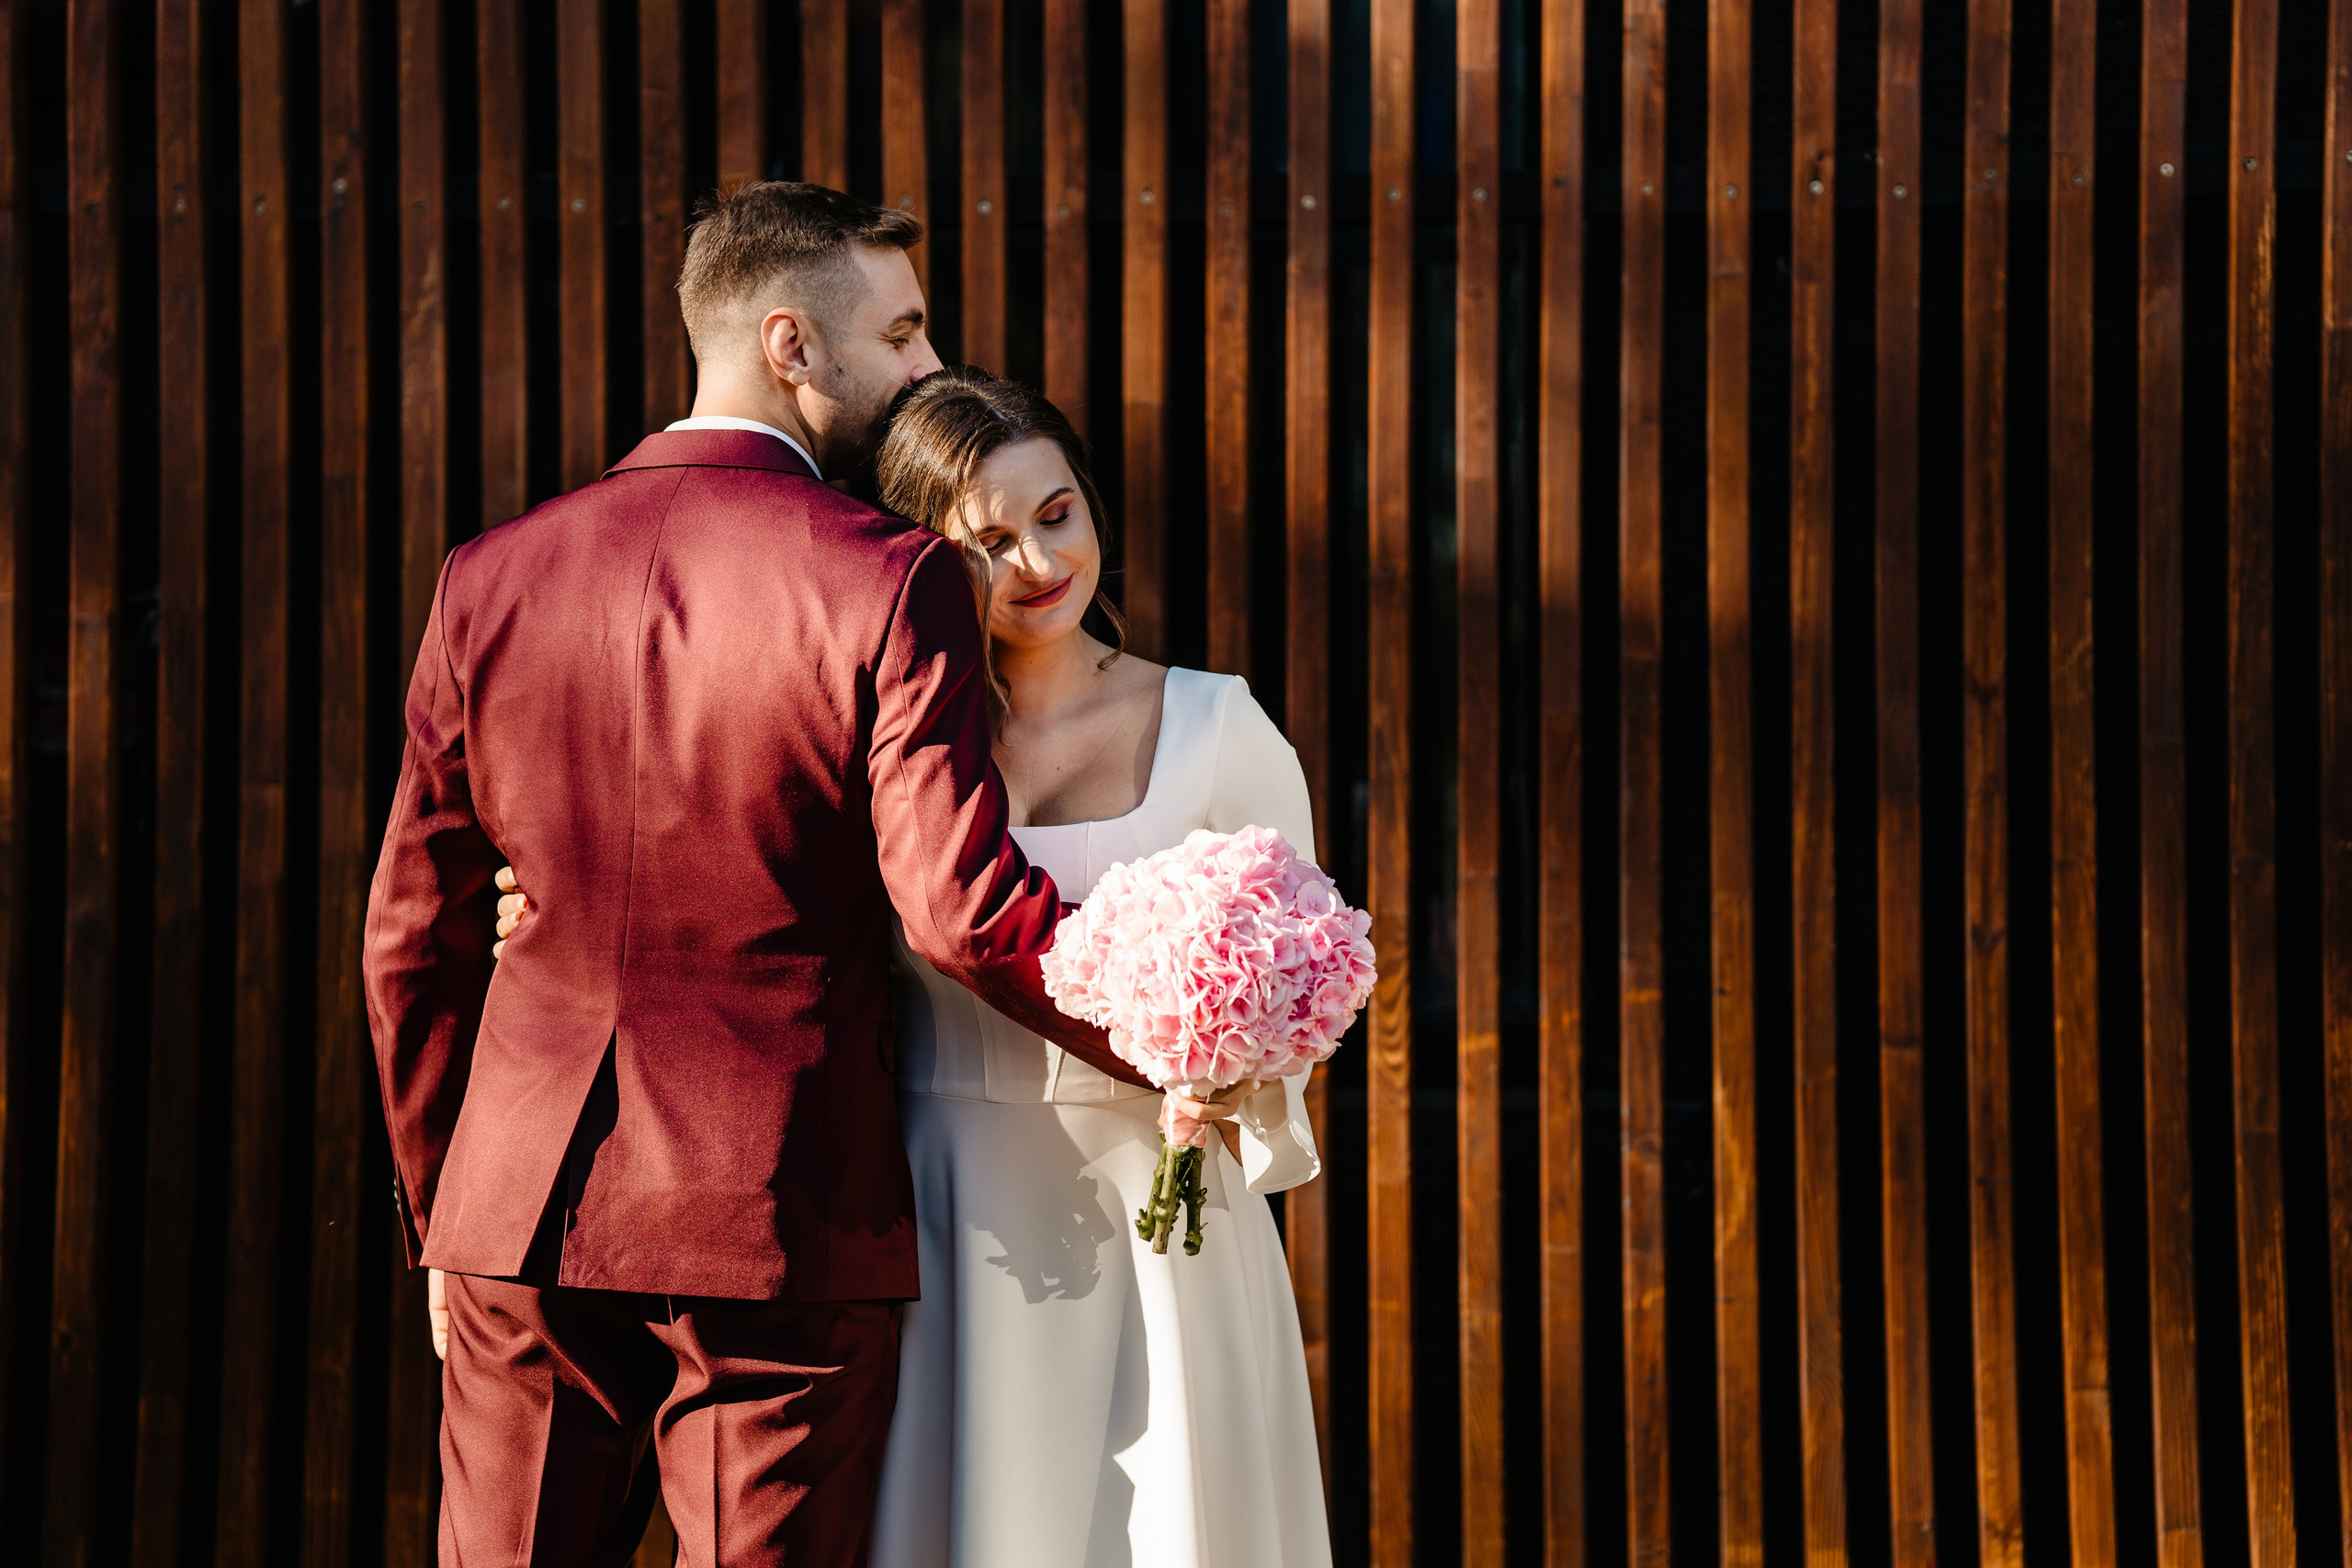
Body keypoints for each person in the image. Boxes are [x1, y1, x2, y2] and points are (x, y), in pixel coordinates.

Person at [361, 182, 1144, 1568]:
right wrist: (1175, 1028)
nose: (928, 369)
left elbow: (409, 938)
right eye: (901, 335)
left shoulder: (487, 575)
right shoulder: (888, 580)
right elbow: (960, 910)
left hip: (517, 1211)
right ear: (793, 344)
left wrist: (446, 1212)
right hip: (772, 1211)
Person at [504, 367, 1336, 1566]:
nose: (1039, 562)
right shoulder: (893, 752)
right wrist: (534, 912)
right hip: (945, 1210)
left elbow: (1300, 978)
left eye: (1057, 514)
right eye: (989, 540)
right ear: (919, 559)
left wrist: (1232, 1076)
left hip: (1163, 1218)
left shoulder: (1220, 729)